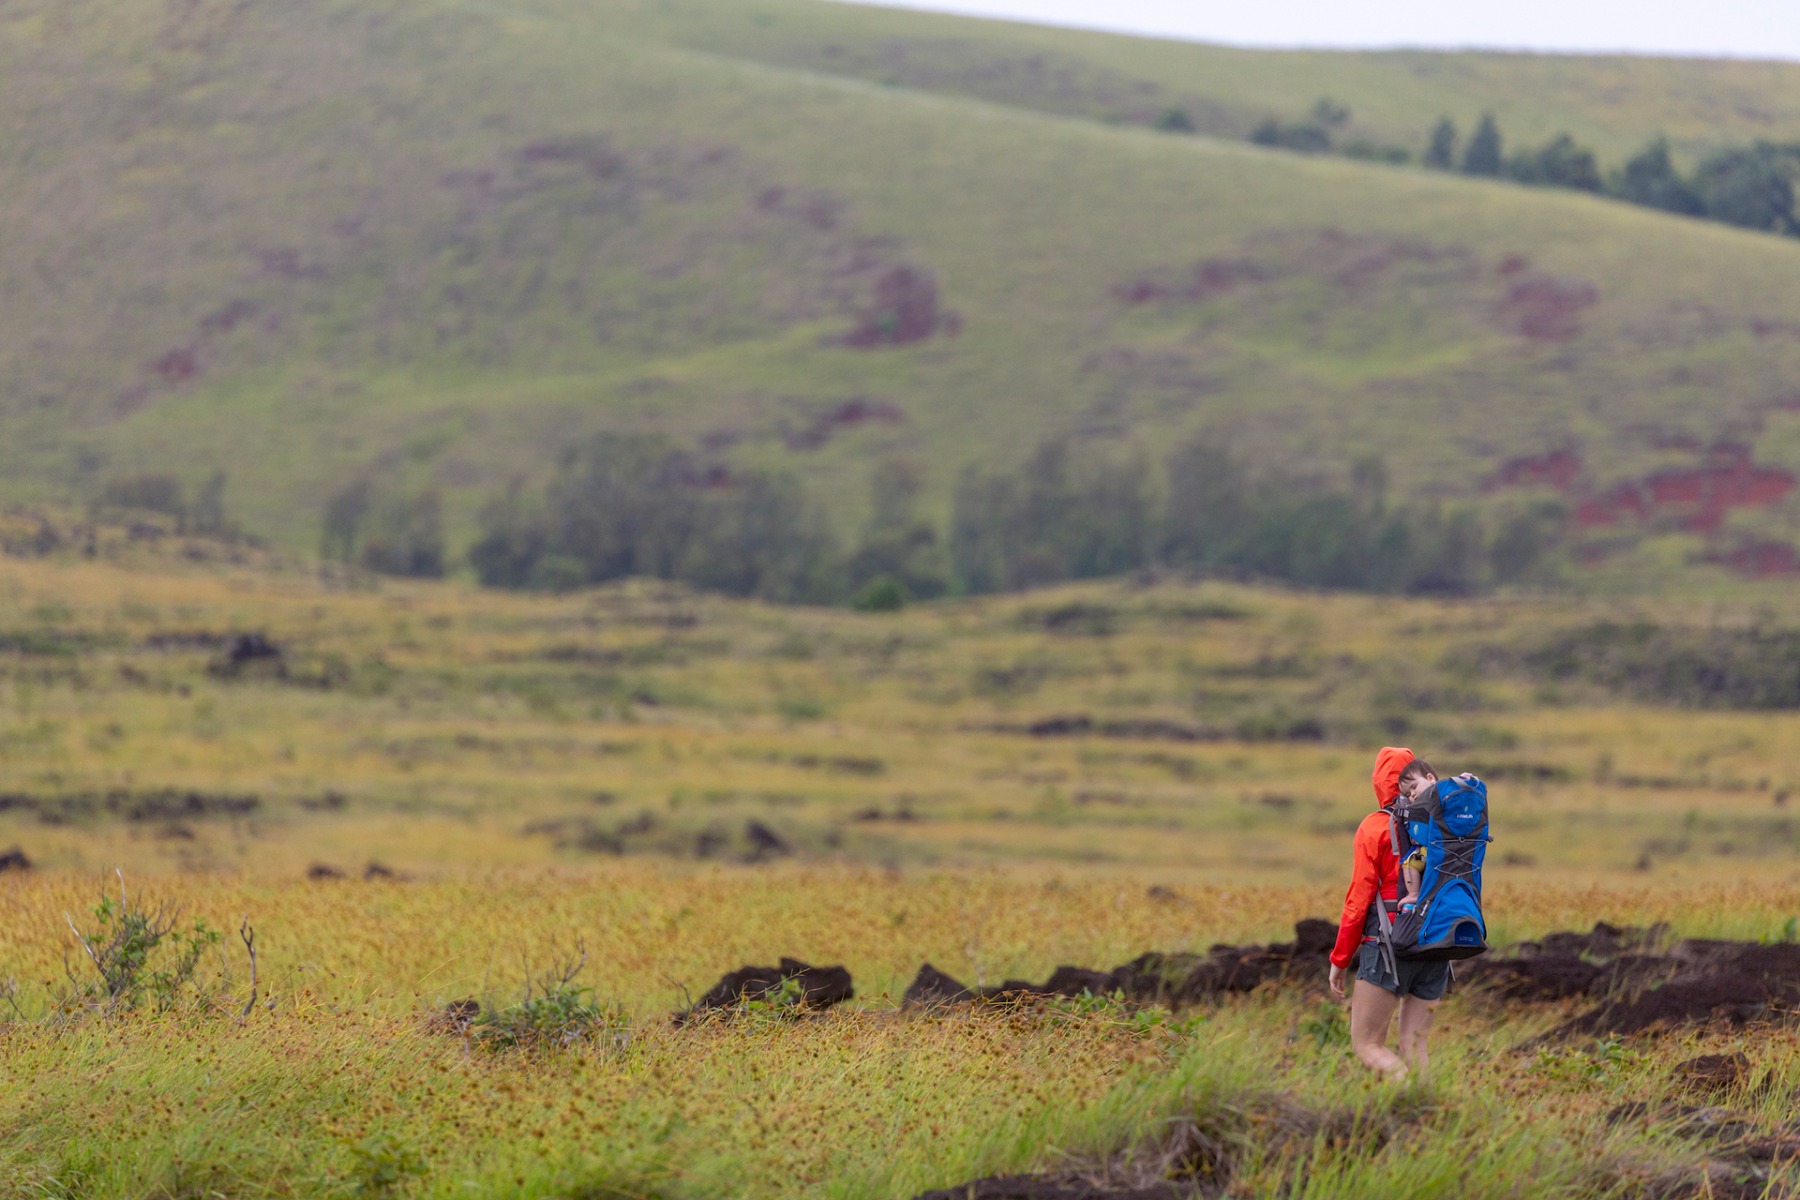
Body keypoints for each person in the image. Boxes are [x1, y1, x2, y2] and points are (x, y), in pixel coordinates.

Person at [1327, 746, 1451, 1080]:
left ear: (1380, 784)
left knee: (1368, 1045)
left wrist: (1340, 960)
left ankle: (1403, 1095)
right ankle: (1429, 1114)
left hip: (1388, 944)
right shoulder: (1444, 820)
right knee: (1415, 1046)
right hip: (1439, 940)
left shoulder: (1374, 828)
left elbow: (1358, 899)